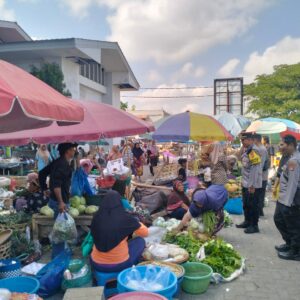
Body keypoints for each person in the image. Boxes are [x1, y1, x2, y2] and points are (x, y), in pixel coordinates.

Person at [90, 190, 148, 272]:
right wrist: (135, 222)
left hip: (96, 263)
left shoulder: (96, 217)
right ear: (119, 203)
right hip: (120, 265)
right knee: (140, 241)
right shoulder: (125, 218)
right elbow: (145, 233)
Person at [39, 142, 77, 258]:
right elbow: (56, 185)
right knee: (60, 232)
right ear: (67, 151)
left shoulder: (59, 162)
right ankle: (57, 257)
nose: (74, 151)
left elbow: (42, 173)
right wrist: (61, 202)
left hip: (58, 200)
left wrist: (44, 188)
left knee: (62, 230)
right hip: (59, 202)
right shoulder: (62, 164)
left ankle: (61, 254)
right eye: (72, 149)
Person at [273, 135, 300, 260]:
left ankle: (295, 251)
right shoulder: (288, 158)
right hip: (284, 197)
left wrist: (288, 203)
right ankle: (289, 244)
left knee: (293, 225)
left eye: (282, 144)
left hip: (291, 199)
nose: (280, 146)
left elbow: (293, 184)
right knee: (278, 219)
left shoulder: (294, 160)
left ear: (290, 145)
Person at [236, 132, 262, 234]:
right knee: (246, 204)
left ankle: (254, 225)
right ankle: (247, 221)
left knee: (253, 205)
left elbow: (255, 169)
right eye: (241, 140)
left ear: (251, 140)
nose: (242, 142)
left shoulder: (253, 151)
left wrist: (252, 185)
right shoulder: (247, 150)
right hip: (246, 182)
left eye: (244, 140)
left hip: (252, 184)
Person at [253, 134, 269, 216]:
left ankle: (259, 210)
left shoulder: (261, 149)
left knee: (260, 194)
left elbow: (260, 165)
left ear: (256, 140)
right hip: (261, 176)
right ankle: (259, 210)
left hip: (261, 176)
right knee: (260, 194)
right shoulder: (259, 148)